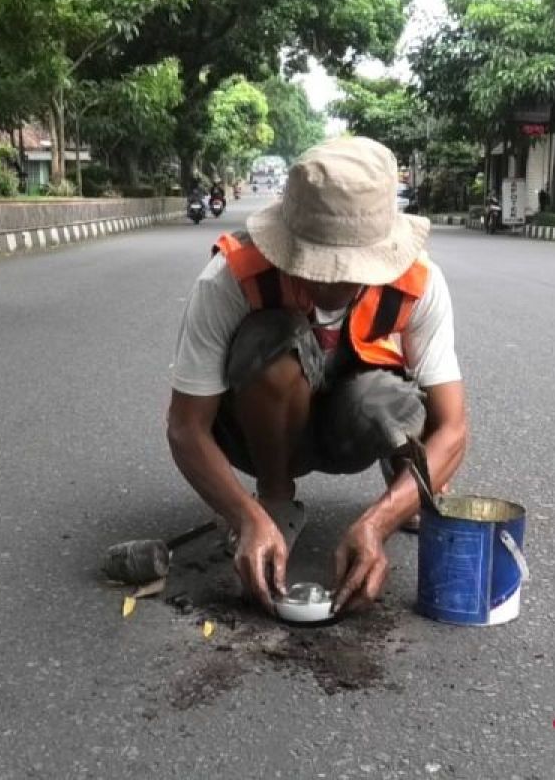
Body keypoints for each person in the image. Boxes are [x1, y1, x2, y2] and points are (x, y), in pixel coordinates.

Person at [167, 137, 468, 615]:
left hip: (353, 428)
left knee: (387, 397)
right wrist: (245, 517)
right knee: (274, 338)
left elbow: (452, 426)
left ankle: (404, 484)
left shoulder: (419, 282)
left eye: (350, 269)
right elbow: (186, 427)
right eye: (318, 265)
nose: (331, 283)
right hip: (258, 433)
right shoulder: (230, 276)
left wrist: (380, 521)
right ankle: (274, 500)